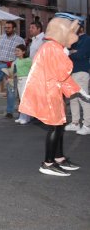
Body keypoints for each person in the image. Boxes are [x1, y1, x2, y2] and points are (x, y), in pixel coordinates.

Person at [19, 13, 85, 176]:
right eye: (73, 32)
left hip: (53, 91)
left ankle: (59, 158)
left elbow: (62, 75)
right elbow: (64, 72)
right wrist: (82, 91)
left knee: (60, 125)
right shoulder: (52, 48)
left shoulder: (52, 46)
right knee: (56, 127)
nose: (75, 36)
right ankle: (48, 163)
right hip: (49, 92)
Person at [65, 26, 90, 135]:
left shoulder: (87, 39)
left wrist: (70, 53)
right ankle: (75, 123)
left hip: (81, 71)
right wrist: (71, 51)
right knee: (73, 98)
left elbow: (80, 55)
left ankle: (87, 124)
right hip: (73, 72)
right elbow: (68, 51)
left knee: (83, 97)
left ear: (80, 28)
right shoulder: (76, 40)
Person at [11, 44, 32, 125]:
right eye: (15, 50)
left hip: (25, 80)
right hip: (19, 80)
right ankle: (22, 117)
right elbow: (18, 71)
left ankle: (26, 118)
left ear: (23, 52)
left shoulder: (28, 60)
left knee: (24, 99)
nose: (16, 52)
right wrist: (13, 75)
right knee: (21, 99)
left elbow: (33, 68)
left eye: (18, 51)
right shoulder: (17, 60)